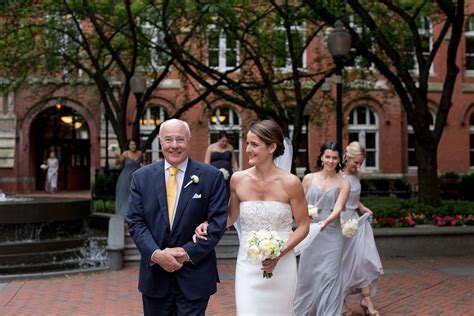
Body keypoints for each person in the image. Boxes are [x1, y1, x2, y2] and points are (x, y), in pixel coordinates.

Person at [195, 120, 309, 315]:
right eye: (247, 143)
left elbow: (303, 226)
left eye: (254, 144)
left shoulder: (291, 183)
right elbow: (230, 217)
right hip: (249, 262)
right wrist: (208, 224)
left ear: (272, 147)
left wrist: (279, 254)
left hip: (282, 264)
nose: (247, 149)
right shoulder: (238, 179)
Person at [125, 119, 228, 316]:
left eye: (180, 139)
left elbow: (217, 222)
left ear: (189, 141)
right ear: (160, 142)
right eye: (168, 140)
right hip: (155, 277)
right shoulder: (141, 177)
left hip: (194, 275)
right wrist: (156, 254)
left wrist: (186, 252)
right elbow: (135, 222)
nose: (174, 145)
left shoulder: (210, 176)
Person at [294, 141, 350, 316]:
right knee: (307, 275)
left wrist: (325, 222)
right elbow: (299, 203)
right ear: (321, 157)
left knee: (330, 276)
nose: (330, 161)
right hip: (310, 233)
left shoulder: (344, 183)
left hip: (331, 234)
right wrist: (305, 216)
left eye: (334, 158)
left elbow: (339, 208)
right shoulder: (309, 178)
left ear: (339, 160)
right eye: (327, 157)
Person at [340, 141, 383, 316]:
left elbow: (353, 197)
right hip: (342, 223)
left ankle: (366, 300)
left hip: (356, 222)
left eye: (360, 162)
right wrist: (340, 220)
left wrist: (362, 207)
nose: (358, 165)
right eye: (355, 162)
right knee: (343, 263)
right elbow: (339, 200)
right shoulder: (338, 177)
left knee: (362, 261)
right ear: (347, 157)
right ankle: (341, 302)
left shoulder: (357, 176)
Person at [114, 139, 143, 217]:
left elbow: (144, 163)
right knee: (125, 194)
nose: (133, 146)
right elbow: (117, 163)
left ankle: (136, 212)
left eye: (134, 144)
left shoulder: (140, 153)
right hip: (125, 177)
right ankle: (124, 212)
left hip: (137, 176)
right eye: (131, 145)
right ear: (128, 146)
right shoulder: (125, 153)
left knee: (137, 194)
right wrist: (118, 157)